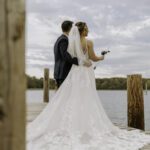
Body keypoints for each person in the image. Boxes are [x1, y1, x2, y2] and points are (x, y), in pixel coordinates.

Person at [27, 22, 150, 150]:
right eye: (86, 29)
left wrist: (80, 61)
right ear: (83, 30)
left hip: (74, 73)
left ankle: (72, 125)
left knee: (72, 97)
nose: (88, 30)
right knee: (87, 98)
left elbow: (68, 56)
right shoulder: (89, 42)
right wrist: (102, 57)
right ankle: (83, 125)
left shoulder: (71, 42)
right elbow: (93, 58)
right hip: (85, 72)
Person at [54, 20, 91, 88]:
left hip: (60, 73)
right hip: (63, 73)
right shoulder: (63, 40)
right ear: (70, 28)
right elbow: (66, 56)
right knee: (64, 97)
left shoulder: (60, 39)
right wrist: (81, 62)